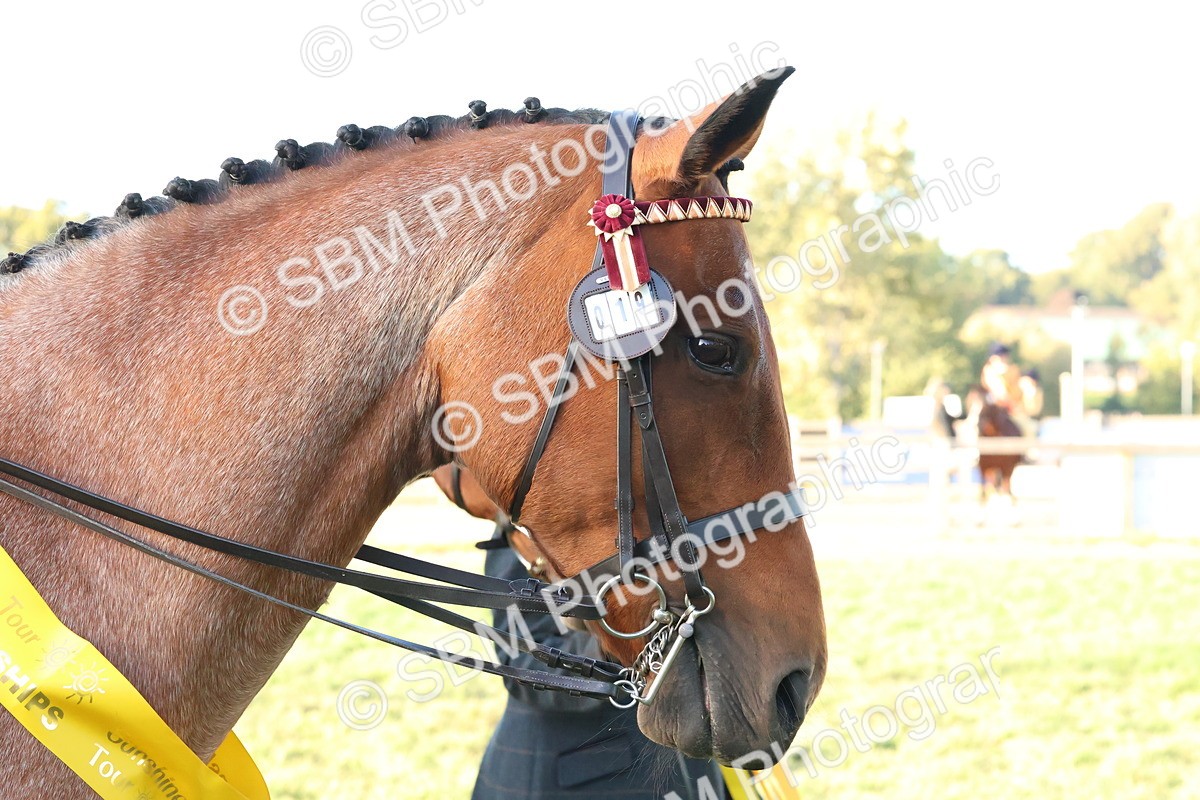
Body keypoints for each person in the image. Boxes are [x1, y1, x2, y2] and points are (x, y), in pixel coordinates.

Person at [431, 467, 726, 800]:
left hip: (691, 770)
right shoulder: (521, 533)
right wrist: (626, 644)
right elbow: (527, 666)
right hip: (569, 779)